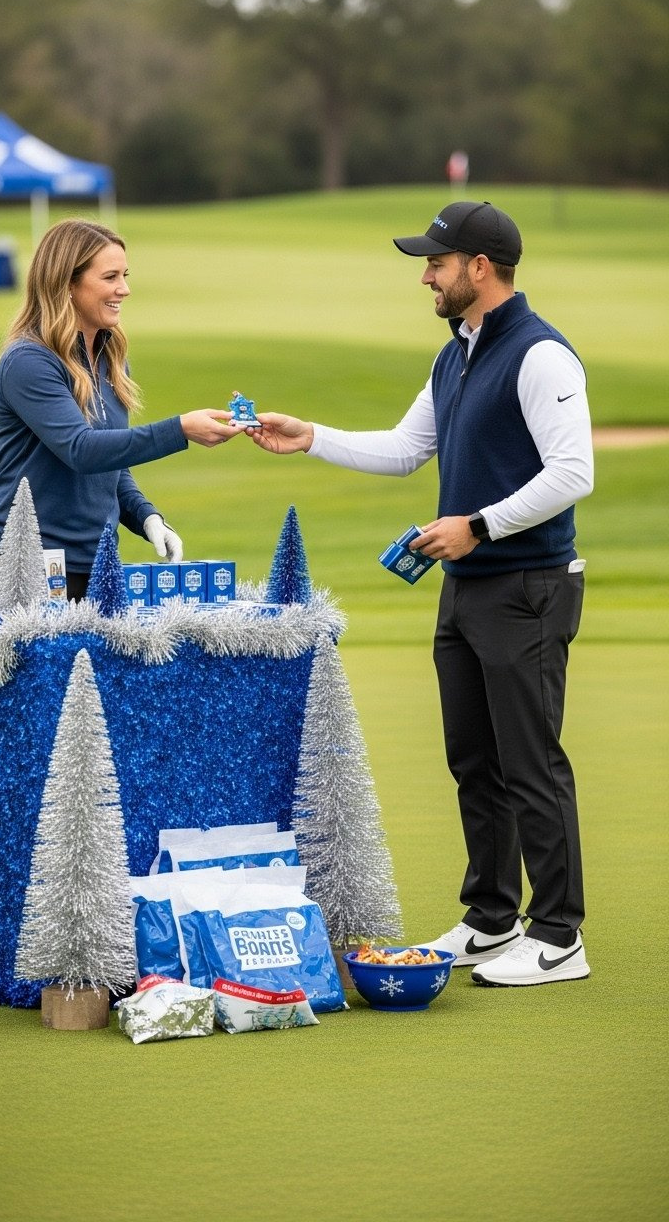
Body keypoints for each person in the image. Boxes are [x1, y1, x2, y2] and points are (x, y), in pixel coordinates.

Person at [244, 200, 594, 988]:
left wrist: (477, 524)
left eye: (436, 262)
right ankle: (491, 916)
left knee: (530, 761)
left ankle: (561, 934)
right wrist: (313, 438)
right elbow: (406, 450)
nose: (426, 276)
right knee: (474, 759)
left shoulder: (541, 355)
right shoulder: (456, 353)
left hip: (528, 586)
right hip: (469, 589)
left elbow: (574, 473)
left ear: (480, 267)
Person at [0, 218, 238, 601]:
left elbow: (111, 462)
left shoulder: (109, 357)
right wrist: (179, 430)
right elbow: (82, 450)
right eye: (110, 277)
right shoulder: (29, 361)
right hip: (22, 563)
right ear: (67, 283)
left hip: (95, 563)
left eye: (125, 275)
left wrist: (147, 518)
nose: (124, 290)